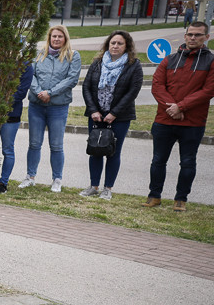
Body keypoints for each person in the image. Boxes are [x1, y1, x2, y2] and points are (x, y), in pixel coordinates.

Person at [145, 21, 214, 212]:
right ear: (185, 36)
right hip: (164, 120)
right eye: (190, 34)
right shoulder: (169, 60)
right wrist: (173, 108)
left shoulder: (211, 61)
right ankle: (154, 196)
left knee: (188, 162)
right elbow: (157, 86)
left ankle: (180, 199)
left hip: (193, 123)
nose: (193, 38)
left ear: (206, 37)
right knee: (158, 160)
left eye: (198, 35)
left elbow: (208, 90)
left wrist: (181, 107)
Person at [80, 30, 143, 200]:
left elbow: (132, 92)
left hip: (119, 117)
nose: (115, 46)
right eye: (113, 43)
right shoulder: (97, 63)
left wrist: (114, 113)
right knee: (95, 149)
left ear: (126, 46)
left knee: (113, 152)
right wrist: (93, 110)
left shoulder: (133, 65)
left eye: (119, 43)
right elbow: (86, 87)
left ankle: (107, 188)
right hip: (96, 115)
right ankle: (93, 186)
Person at [21, 24, 81, 192]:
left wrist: (51, 93)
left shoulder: (73, 56)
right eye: (54, 36)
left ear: (65, 38)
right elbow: (30, 75)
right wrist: (39, 92)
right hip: (37, 106)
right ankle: (30, 177)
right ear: (49, 38)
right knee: (34, 144)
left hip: (58, 107)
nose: (56, 39)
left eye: (60, 36)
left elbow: (71, 79)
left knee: (56, 145)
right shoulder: (39, 54)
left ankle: (57, 179)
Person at [0, 62, 35, 193]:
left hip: (11, 114)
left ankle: (3, 183)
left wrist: (0, 101)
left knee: (7, 150)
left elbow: (21, 92)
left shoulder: (26, 65)